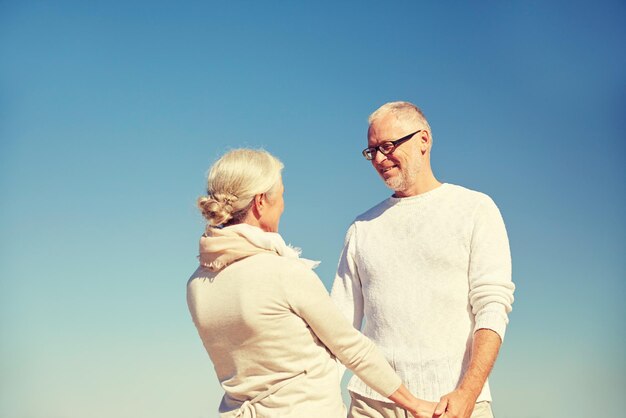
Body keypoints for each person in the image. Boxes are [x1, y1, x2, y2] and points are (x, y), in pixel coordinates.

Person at [187, 148, 438, 418]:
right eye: (281, 195)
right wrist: (414, 404)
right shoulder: (283, 272)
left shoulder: (197, 286)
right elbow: (352, 349)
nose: (283, 205)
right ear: (260, 202)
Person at [331, 102, 515, 418]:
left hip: (457, 405)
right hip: (372, 406)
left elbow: (492, 307)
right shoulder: (362, 228)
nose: (378, 159)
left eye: (387, 146)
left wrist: (467, 394)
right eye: (371, 150)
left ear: (424, 140)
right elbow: (339, 325)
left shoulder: (475, 209)